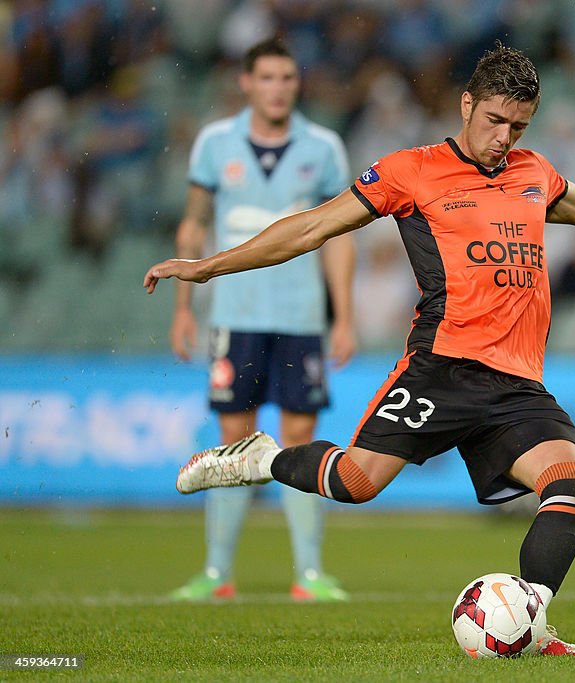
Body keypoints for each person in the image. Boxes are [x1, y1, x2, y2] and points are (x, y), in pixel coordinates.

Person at [144, 44, 575, 655]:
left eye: (518, 126)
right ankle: (259, 459)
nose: (504, 137)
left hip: (516, 383)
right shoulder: (411, 170)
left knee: (568, 482)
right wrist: (209, 267)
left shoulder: (534, 172)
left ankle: (529, 621)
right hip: (440, 368)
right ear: (467, 105)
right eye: (494, 120)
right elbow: (313, 226)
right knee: (356, 484)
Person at [166, 38, 357, 603]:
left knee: (299, 438)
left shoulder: (323, 148)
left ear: (297, 85)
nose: (278, 88)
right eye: (268, 77)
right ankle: (217, 573)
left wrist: (343, 315)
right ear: (246, 83)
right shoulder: (215, 143)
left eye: (288, 78)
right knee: (233, 437)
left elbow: (337, 238)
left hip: (300, 317)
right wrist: (182, 308)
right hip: (235, 314)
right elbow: (194, 226)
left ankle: (310, 574)